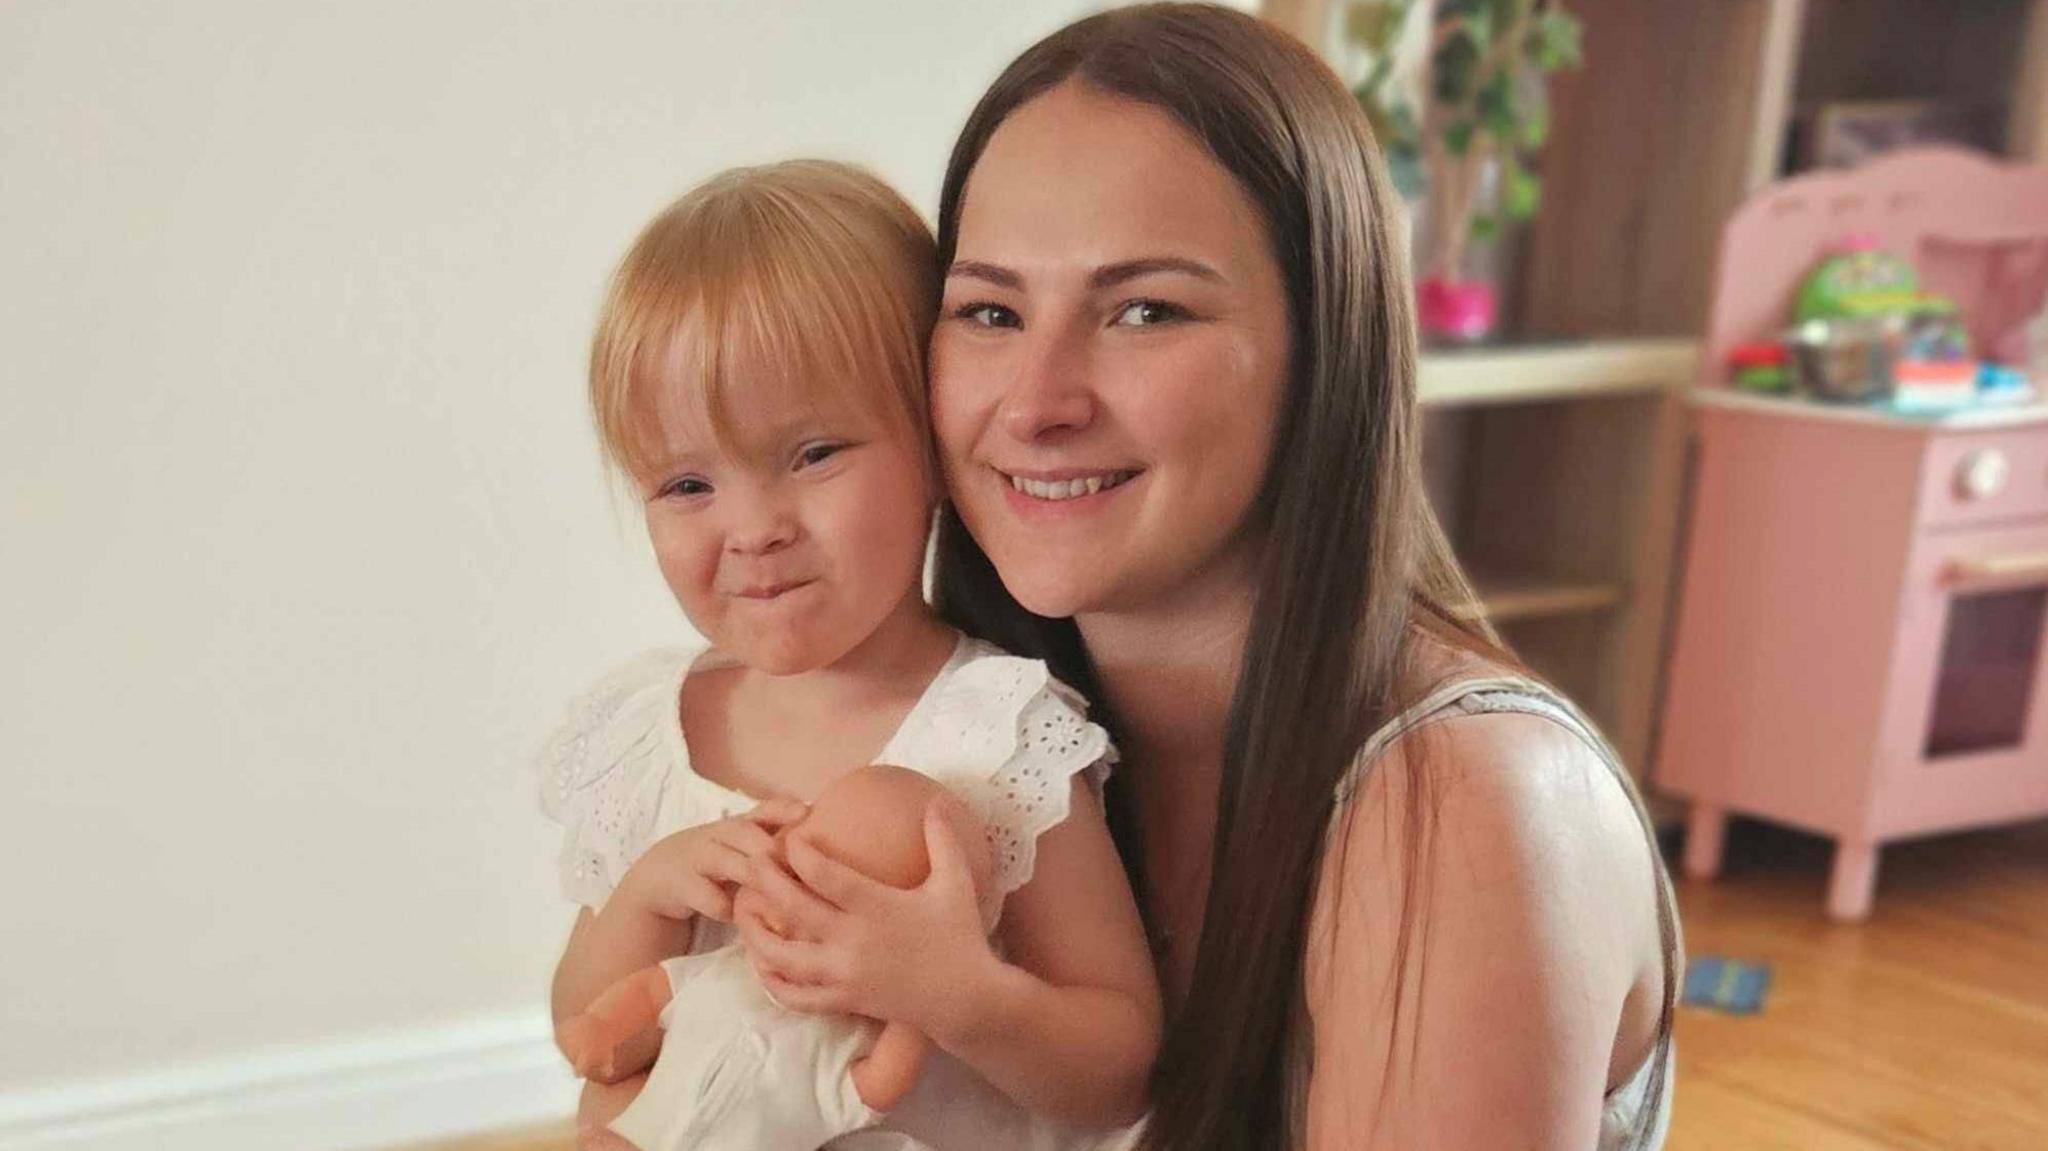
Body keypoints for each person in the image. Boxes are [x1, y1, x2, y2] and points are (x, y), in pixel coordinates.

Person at [737, 7, 1681, 1149]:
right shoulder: (992, 743)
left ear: (1326, 348)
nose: (1036, 403)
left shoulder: (1469, 803)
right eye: (989, 310)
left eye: (1144, 310)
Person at [538, 159, 1159, 1149]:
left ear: (932, 445)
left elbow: (1116, 1071)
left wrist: (962, 993)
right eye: (687, 484)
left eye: (812, 454)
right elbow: (587, 1030)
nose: (751, 528)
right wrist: (650, 893)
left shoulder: (995, 733)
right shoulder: (653, 731)